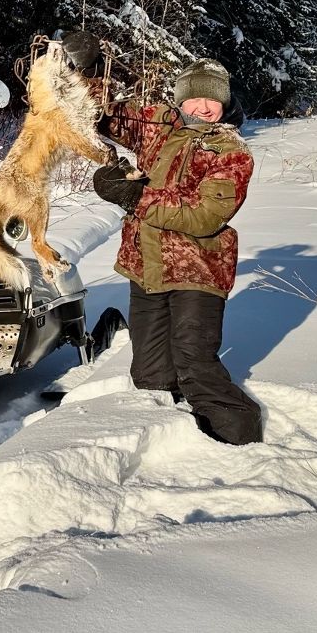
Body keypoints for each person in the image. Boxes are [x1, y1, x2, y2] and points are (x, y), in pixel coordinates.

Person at [92, 58, 263, 445]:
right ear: (180, 99)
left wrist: (134, 194)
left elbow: (205, 216)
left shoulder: (231, 150)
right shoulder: (158, 123)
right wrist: (87, 71)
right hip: (146, 268)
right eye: (194, 98)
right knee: (150, 374)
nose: (203, 107)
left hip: (198, 271)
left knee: (195, 365)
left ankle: (241, 443)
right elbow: (100, 115)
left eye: (212, 99)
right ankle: (169, 445)